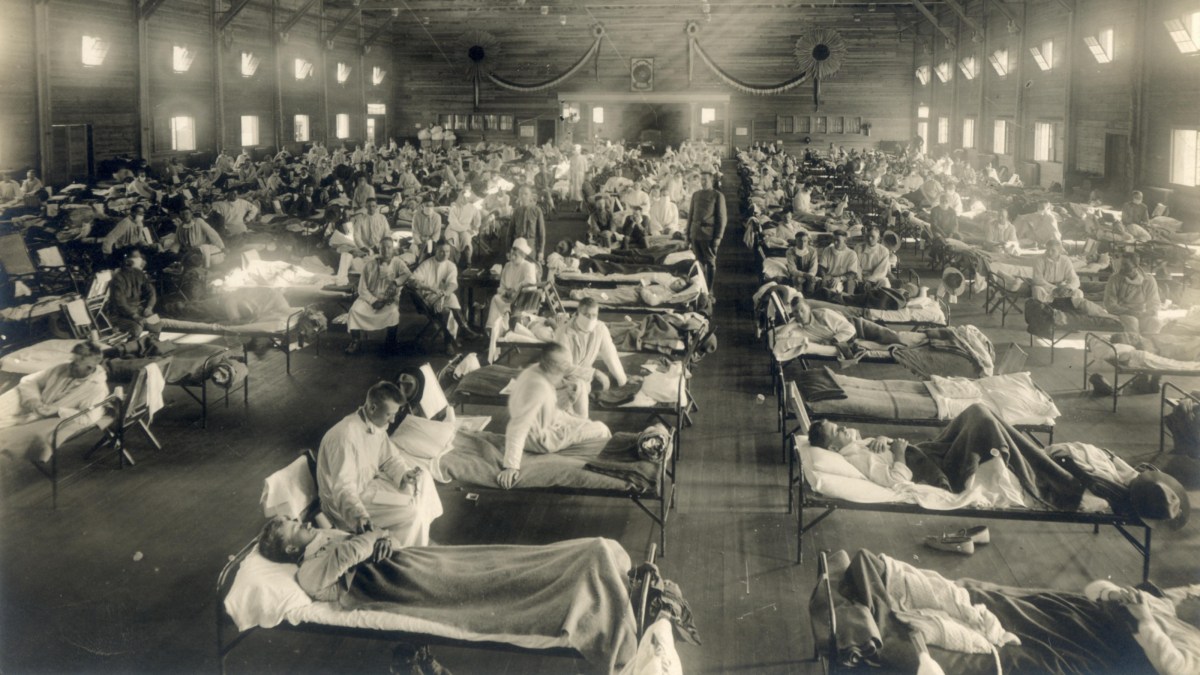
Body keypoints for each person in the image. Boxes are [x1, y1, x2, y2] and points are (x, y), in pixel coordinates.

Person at [256, 517, 639, 674]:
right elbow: (354, 552)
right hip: (397, 583)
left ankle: (592, 562)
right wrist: (372, 538)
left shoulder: (321, 541)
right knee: (493, 584)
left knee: (497, 561)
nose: (305, 522)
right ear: (290, 550)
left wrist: (381, 537)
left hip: (411, 561)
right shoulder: (307, 569)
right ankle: (589, 576)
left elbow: (375, 538)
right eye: (296, 527)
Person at [808, 404, 1088, 511]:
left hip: (930, 452)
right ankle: (1059, 484)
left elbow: (880, 448)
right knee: (983, 422)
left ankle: (1038, 463)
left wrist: (882, 439)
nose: (844, 428)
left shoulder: (857, 445)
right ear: (833, 449)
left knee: (977, 410)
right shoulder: (856, 459)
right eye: (838, 431)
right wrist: (898, 452)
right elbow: (895, 481)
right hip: (939, 471)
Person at [315, 381, 443, 547]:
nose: (393, 420)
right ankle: (409, 552)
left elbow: (390, 458)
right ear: (373, 408)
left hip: (368, 487)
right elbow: (343, 489)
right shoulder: (344, 437)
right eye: (389, 414)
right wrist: (358, 515)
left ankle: (419, 533)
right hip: (347, 505)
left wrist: (404, 474)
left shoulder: (375, 424)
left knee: (423, 476)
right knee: (411, 511)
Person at [497, 344, 613, 489]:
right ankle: (606, 467)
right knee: (602, 429)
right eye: (564, 367)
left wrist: (594, 373)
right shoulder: (538, 388)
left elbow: (569, 369)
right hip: (541, 440)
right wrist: (511, 466)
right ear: (555, 367)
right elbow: (517, 427)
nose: (567, 370)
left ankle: (586, 441)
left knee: (582, 405)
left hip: (548, 421)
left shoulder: (536, 370)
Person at [0, 341, 108, 464]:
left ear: (90, 368)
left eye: (75, 364)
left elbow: (89, 417)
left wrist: (58, 411)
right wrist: (33, 399)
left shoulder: (97, 388)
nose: (70, 366)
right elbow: (30, 381)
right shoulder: (63, 367)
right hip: (34, 404)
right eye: (71, 360)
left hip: (47, 416)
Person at [553, 297, 630, 418]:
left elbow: (611, 355)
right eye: (586, 315)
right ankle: (581, 424)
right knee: (578, 390)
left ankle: (579, 424)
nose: (591, 319)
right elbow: (564, 367)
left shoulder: (600, 328)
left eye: (594, 315)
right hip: (562, 378)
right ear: (578, 313)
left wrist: (623, 381)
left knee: (581, 386)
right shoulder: (563, 332)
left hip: (583, 379)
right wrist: (594, 373)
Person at [345, 238, 410, 355]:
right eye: (383, 247)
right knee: (354, 310)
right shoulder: (369, 265)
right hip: (369, 298)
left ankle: (390, 342)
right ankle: (355, 340)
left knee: (393, 312)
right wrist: (373, 301)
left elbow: (407, 274)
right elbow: (362, 288)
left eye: (389, 247)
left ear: (393, 249)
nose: (386, 250)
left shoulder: (398, 262)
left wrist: (396, 282)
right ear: (378, 249)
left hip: (388, 299)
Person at [410, 242, 473, 354]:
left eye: (447, 251)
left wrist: (443, 295)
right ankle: (451, 340)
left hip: (444, 296)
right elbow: (413, 280)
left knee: (452, 296)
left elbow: (453, 284)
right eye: (441, 251)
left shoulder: (451, 265)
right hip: (429, 297)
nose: (445, 254)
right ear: (435, 251)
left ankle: (463, 330)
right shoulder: (427, 264)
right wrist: (430, 288)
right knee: (447, 311)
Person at [686, 171, 727, 292]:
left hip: (708, 234)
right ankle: (701, 289)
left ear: (712, 181)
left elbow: (722, 218)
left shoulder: (717, 196)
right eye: (701, 179)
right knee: (698, 263)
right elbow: (690, 215)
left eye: (705, 180)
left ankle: (710, 290)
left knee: (710, 262)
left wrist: (718, 237)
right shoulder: (696, 195)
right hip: (695, 233)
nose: (703, 182)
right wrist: (688, 234)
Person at [487, 238, 540, 329]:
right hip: (507, 298)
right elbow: (502, 285)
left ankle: (503, 325)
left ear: (522, 254)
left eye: (516, 254)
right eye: (512, 254)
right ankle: (493, 328)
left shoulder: (528, 266)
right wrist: (505, 293)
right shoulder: (508, 266)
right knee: (496, 298)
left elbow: (531, 285)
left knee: (504, 304)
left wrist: (516, 289)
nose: (512, 257)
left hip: (521, 300)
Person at [1104, 253, 1162, 335]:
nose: (1122, 268)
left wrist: (1149, 312)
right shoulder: (1114, 279)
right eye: (1121, 264)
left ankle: (1147, 344)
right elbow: (1110, 304)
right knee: (1132, 322)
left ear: (1136, 266)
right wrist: (1130, 312)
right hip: (1122, 313)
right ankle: (1133, 343)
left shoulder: (1148, 280)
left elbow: (1154, 302)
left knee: (1155, 323)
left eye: (1125, 265)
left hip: (1142, 313)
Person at [108, 250, 160, 339]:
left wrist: (149, 307)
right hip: (120, 314)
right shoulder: (118, 278)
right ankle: (131, 349)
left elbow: (151, 292)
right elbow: (120, 302)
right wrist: (134, 316)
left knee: (156, 323)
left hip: (138, 310)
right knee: (136, 328)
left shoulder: (139, 274)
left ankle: (150, 345)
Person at [1030, 238, 1081, 304]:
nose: (1049, 253)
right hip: (1045, 287)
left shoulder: (1065, 260)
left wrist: (1068, 288)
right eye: (1047, 250)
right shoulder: (1039, 259)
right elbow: (1037, 279)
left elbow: (1074, 278)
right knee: (1037, 290)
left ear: (1059, 251)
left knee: (1078, 292)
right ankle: (1047, 308)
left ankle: (1068, 307)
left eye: (1053, 250)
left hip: (1062, 288)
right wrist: (1054, 289)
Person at [508, 185, 546, 261]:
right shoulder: (516, 211)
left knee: (530, 267)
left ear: (531, 196)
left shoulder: (537, 211)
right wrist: (508, 250)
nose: (523, 196)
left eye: (526, 194)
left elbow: (541, 233)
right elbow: (510, 233)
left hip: (531, 244)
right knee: (517, 267)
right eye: (521, 194)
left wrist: (541, 251)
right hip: (517, 243)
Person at [817, 230, 860, 296]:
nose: (835, 242)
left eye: (838, 240)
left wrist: (839, 278)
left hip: (844, 279)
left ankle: (847, 301)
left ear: (845, 241)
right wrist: (824, 276)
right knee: (823, 290)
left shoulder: (851, 253)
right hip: (830, 277)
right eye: (834, 240)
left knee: (849, 285)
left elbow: (852, 273)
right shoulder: (827, 250)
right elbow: (822, 267)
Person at [445, 189, 481, 264]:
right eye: (463, 197)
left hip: (466, 229)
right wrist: (465, 228)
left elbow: (477, 219)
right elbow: (454, 223)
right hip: (453, 228)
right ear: (460, 197)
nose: (465, 199)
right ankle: (452, 261)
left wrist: (475, 227)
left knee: (466, 241)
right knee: (452, 239)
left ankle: (468, 261)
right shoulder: (454, 207)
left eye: (467, 198)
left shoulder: (472, 208)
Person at [786, 231, 819, 296]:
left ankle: (809, 298)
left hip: (809, 275)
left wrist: (809, 275)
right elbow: (792, 269)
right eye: (800, 241)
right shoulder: (790, 252)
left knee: (811, 282)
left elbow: (814, 267)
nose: (802, 243)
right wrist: (803, 275)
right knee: (797, 280)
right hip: (796, 275)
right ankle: (798, 297)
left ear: (807, 241)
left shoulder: (813, 251)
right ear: (795, 241)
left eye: (805, 241)